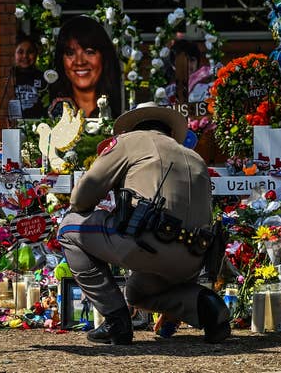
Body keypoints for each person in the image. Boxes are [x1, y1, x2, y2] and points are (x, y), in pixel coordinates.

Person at [57, 102, 230, 345]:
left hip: (148, 242)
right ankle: (206, 305)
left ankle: (116, 321)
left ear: (134, 127)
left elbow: (80, 198)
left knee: (68, 228)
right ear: (168, 130)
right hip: (194, 259)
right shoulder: (195, 157)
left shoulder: (130, 141)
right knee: (137, 293)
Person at [49, 15, 122, 119]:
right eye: (70, 53)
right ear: (61, 60)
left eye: (89, 52)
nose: (80, 62)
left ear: (104, 57)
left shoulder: (123, 108)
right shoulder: (52, 111)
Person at [11, 31, 47, 119]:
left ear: (36, 54)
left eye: (30, 52)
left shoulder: (43, 78)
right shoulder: (9, 77)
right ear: (13, 54)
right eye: (20, 52)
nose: (25, 56)